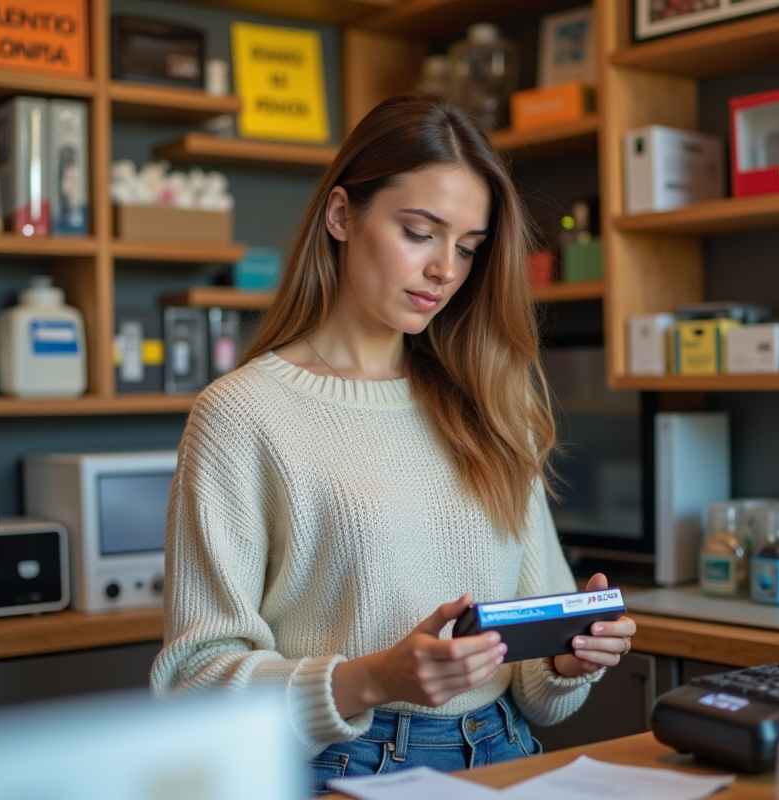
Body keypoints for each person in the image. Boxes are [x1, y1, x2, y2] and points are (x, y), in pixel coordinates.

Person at [150, 94, 637, 795]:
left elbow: (538, 686)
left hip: (505, 748)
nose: (446, 269)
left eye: (469, 248)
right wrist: (376, 677)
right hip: (341, 764)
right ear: (342, 215)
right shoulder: (242, 415)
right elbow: (196, 682)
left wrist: (570, 659)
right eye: (420, 232)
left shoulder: (492, 401)